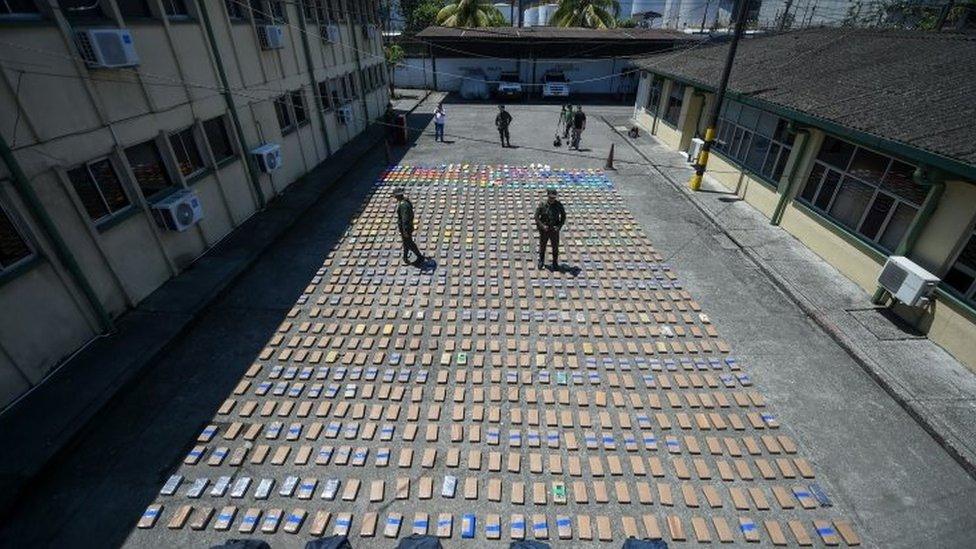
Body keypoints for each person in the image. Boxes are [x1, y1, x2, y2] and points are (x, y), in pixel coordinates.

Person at [534, 188, 566, 270]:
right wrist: (542, 226)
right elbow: (536, 217)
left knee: (555, 247)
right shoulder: (542, 205)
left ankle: (555, 262)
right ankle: (541, 261)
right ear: (548, 196)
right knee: (543, 246)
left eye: (554, 198)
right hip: (545, 230)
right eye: (551, 197)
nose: (552, 199)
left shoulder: (559, 205)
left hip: (554, 230)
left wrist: (559, 226)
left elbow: (563, 217)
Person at [394, 187, 424, 265]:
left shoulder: (403, 205)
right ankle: (405, 256)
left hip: (406, 228)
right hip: (407, 227)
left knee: (409, 243)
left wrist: (405, 230)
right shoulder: (405, 201)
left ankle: (420, 257)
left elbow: (405, 219)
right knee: (406, 242)